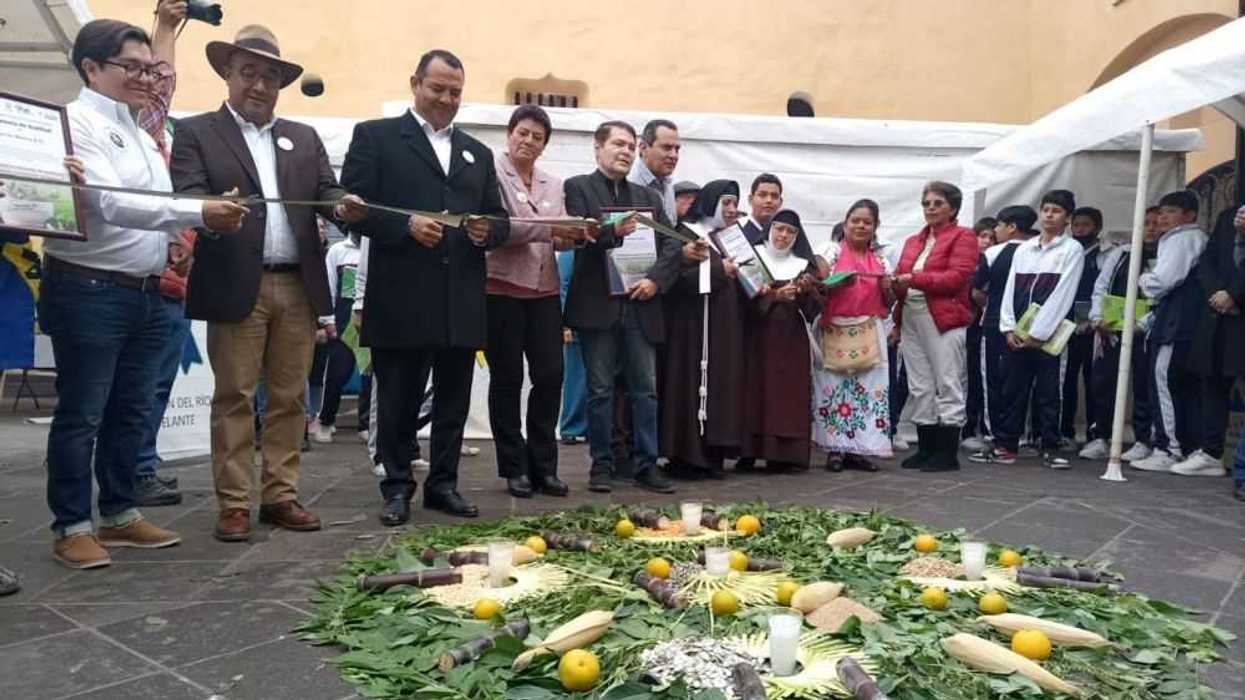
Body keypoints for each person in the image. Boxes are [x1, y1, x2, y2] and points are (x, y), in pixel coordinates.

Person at [43, 19, 246, 568]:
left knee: (131, 410)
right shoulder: (74, 123)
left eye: (147, 68)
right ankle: (71, 524)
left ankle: (119, 513)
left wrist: (182, 234)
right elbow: (111, 202)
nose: (144, 77)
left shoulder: (142, 129)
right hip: (87, 289)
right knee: (83, 412)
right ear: (91, 68)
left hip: (148, 290)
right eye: (130, 67)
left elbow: (154, 207)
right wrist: (196, 211)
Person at [171, 25, 366, 541]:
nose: (259, 85)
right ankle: (233, 502)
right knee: (234, 395)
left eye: (270, 77)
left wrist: (343, 203)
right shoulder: (196, 132)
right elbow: (187, 194)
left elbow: (327, 190)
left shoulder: (303, 137)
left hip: (297, 285)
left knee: (289, 397)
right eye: (249, 73)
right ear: (227, 75)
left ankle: (280, 495)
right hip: (237, 282)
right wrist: (212, 212)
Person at [340, 49, 508, 524]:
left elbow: (498, 217)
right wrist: (405, 226)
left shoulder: (477, 152)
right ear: (415, 83)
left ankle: (444, 484)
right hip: (401, 295)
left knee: (454, 400)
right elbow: (352, 206)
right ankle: (396, 486)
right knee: (398, 399)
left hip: (461, 297)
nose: (446, 99)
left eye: (455, 91)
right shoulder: (376, 137)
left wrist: (486, 231)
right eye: (437, 89)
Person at [563, 120, 682, 494]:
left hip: (640, 305)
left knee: (645, 390)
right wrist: (613, 231)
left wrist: (655, 281)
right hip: (598, 305)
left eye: (631, 146)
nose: (626, 151)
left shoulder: (648, 197)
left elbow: (672, 246)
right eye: (618, 144)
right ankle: (602, 465)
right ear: (597, 148)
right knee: (599, 390)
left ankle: (647, 464)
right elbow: (580, 235)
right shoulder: (578, 188)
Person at [486, 104, 572, 498]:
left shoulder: (553, 183)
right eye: (523, 133)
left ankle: (544, 466)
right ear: (509, 133)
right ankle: (513, 467)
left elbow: (560, 231)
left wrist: (575, 234)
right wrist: (549, 228)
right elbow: (502, 229)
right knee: (507, 380)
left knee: (551, 376)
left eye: (537, 137)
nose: (529, 141)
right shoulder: (491, 173)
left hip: (545, 291)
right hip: (501, 290)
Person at [130, 0, 191, 508]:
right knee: (120, 390)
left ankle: (139, 468)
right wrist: (164, 27)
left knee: (155, 386)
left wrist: (168, 27)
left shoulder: (158, 135)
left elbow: (164, 83)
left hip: (170, 282)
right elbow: (162, 85)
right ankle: (123, 474)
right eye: (134, 71)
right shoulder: (106, 129)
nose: (150, 82)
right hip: (120, 279)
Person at [973, 190, 1083, 468]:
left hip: (1048, 336)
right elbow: (1009, 290)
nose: (1049, 215)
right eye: (1045, 209)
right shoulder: (1024, 249)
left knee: (1049, 392)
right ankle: (1007, 445)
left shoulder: (1071, 250)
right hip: (1017, 334)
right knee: (1012, 389)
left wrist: (1038, 334)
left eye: (1056, 211)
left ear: (1067, 218)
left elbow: (1063, 294)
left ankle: (1050, 446)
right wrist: (1009, 327)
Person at [885, 181, 978, 472]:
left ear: (953, 208)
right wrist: (897, 305)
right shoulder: (914, 240)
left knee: (948, 381)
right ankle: (926, 448)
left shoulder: (964, 236)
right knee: (919, 384)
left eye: (938, 203)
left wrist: (913, 279)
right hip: (912, 315)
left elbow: (957, 279)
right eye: (926, 203)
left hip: (944, 318)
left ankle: (947, 452)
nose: (931, 208)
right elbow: (903, 279)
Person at [661, 180, 746, 479]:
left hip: (724, 328)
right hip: (692, 328)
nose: (733, 210)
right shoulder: (686, 233)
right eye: (726, 203)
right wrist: (719, 271)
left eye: (735, 203)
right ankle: (687, 457)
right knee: (689, 385)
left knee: (719, 388)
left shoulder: (730, 239)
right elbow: (677, 280)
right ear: (710, 203)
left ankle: (712, 455)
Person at [812, 200, 894, 470]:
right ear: (845, 223)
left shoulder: (881, 259)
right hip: (836, 326)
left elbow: (891, 299)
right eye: (855, 221)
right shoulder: (831, 251)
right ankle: (835, 450)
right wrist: (836, 284)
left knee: (868, 391)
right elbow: (816, 284)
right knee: (834, 389)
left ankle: (859, 449)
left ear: (875, 227)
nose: (860, 226)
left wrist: (888, 286)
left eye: (867, 222)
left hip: (869, 329)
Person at [1130, 191, 1208, 473]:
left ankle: (1168, 448)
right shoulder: (1191, 238)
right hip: (1182, 322)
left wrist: (1142, 279)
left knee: (1163, 381)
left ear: (1188, 215)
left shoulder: (1181, 238)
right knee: (1181, 386)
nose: (1162, 217)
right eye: (1161, 211)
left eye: (1170, 212)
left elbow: (1162, 282)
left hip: (1177, 325)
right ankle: (1185, 445)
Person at [1168, 203, 1244, 478]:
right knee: (1212, 382)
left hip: (1238, 309)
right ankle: (1211, 452)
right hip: (1219, 315)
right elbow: (1208, 260)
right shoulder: (1227, 215)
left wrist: (1235, 294)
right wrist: (1217, 294)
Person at [1079, 207, 1159, 461]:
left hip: (1145, 332)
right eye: (1145, 223)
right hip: (1110, 330)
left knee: (1144, 385)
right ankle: (1101, 435)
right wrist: (1096, 317)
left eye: (1156, 223)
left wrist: (1142, 324)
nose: (1150, 228)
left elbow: (1164, 298)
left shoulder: (1167, 256)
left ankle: (1144, 439)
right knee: (1103, 382)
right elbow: (1100, 286)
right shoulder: (1121, 254)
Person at [1060, 206, 1109, 448]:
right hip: (1066, 326)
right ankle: (1065, 432)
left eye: (1085, 225)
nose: (1080, 230)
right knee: (1066, 380)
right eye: (1076, 225)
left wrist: (1092, 319)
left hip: (1095, 326)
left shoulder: (1106, 254)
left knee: (1095, 382)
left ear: (1097, 228)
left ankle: (1096, 434)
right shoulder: (1065, 251)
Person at [314, 230, 363, 442]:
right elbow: (328, 286)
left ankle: (365, 424)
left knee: (369, 377)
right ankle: (325, 420)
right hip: (343, 324)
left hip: (368, 323)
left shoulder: (375, 249)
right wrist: (327, 320)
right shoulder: (337, 251)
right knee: (337, 373)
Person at [960, 216, 997, 451]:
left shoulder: (995, 261)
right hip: (962, 325)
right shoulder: (964, 261)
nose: (985, 242)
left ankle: (973, 428)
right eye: (982, 235)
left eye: (991, 238)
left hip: (984, 327)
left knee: (978, 379)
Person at [558, 249, 588, 444]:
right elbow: (563, 286)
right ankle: (571, 427)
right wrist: (564, 323)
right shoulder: (569, 253)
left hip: (594, 319)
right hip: (575, 323)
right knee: (575, 378)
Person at [740, 174, 783, 245]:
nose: (769, 200)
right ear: (750, 199)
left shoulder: (786, 237)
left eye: (774, 196)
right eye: (762, 195)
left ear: (780, 202)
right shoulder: (738, 236)